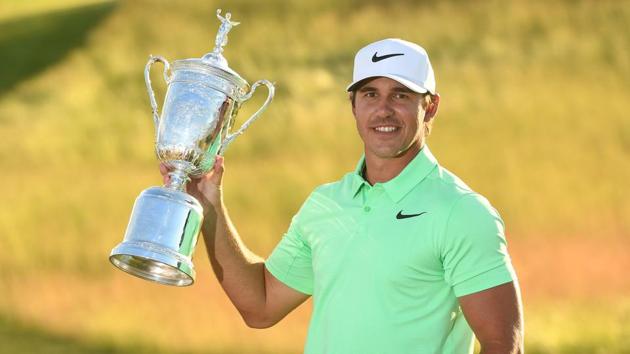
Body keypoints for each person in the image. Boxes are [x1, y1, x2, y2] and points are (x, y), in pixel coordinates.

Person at [161, 38, 524, 354]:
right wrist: (209, 203)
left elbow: (503, 345)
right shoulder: (325, 203)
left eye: (401, 95)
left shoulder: (461, 211)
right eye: (370, 94)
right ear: (354, 105)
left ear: (429, 107)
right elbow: (261, 305)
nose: (384, 109)